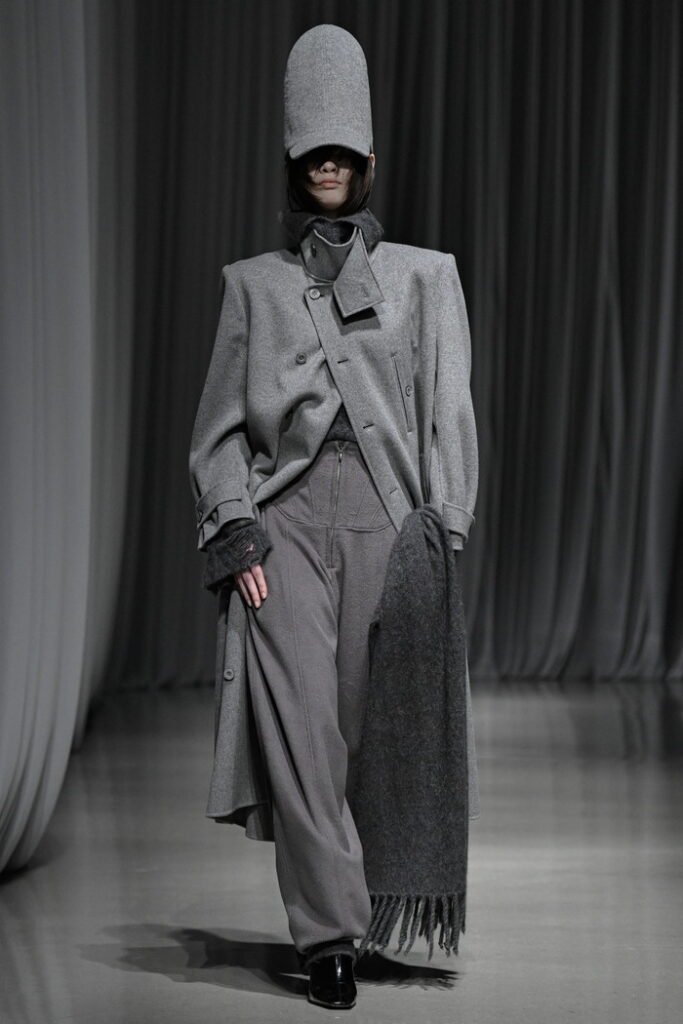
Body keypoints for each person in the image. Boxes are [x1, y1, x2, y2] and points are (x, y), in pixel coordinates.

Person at [189, 24, 479, 1011]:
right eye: (312, 148)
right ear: (290, 157)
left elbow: (447, 411)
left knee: (362, 733)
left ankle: (351, 909)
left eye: (341, 149)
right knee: (305, 734)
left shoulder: (424, 277)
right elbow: (219, 433)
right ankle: (329, 940)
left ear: (366, 158)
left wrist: (444, 526)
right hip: (286, 530)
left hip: (389, 527)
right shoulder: (251, 287)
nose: (326, 163)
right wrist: (236, 525)